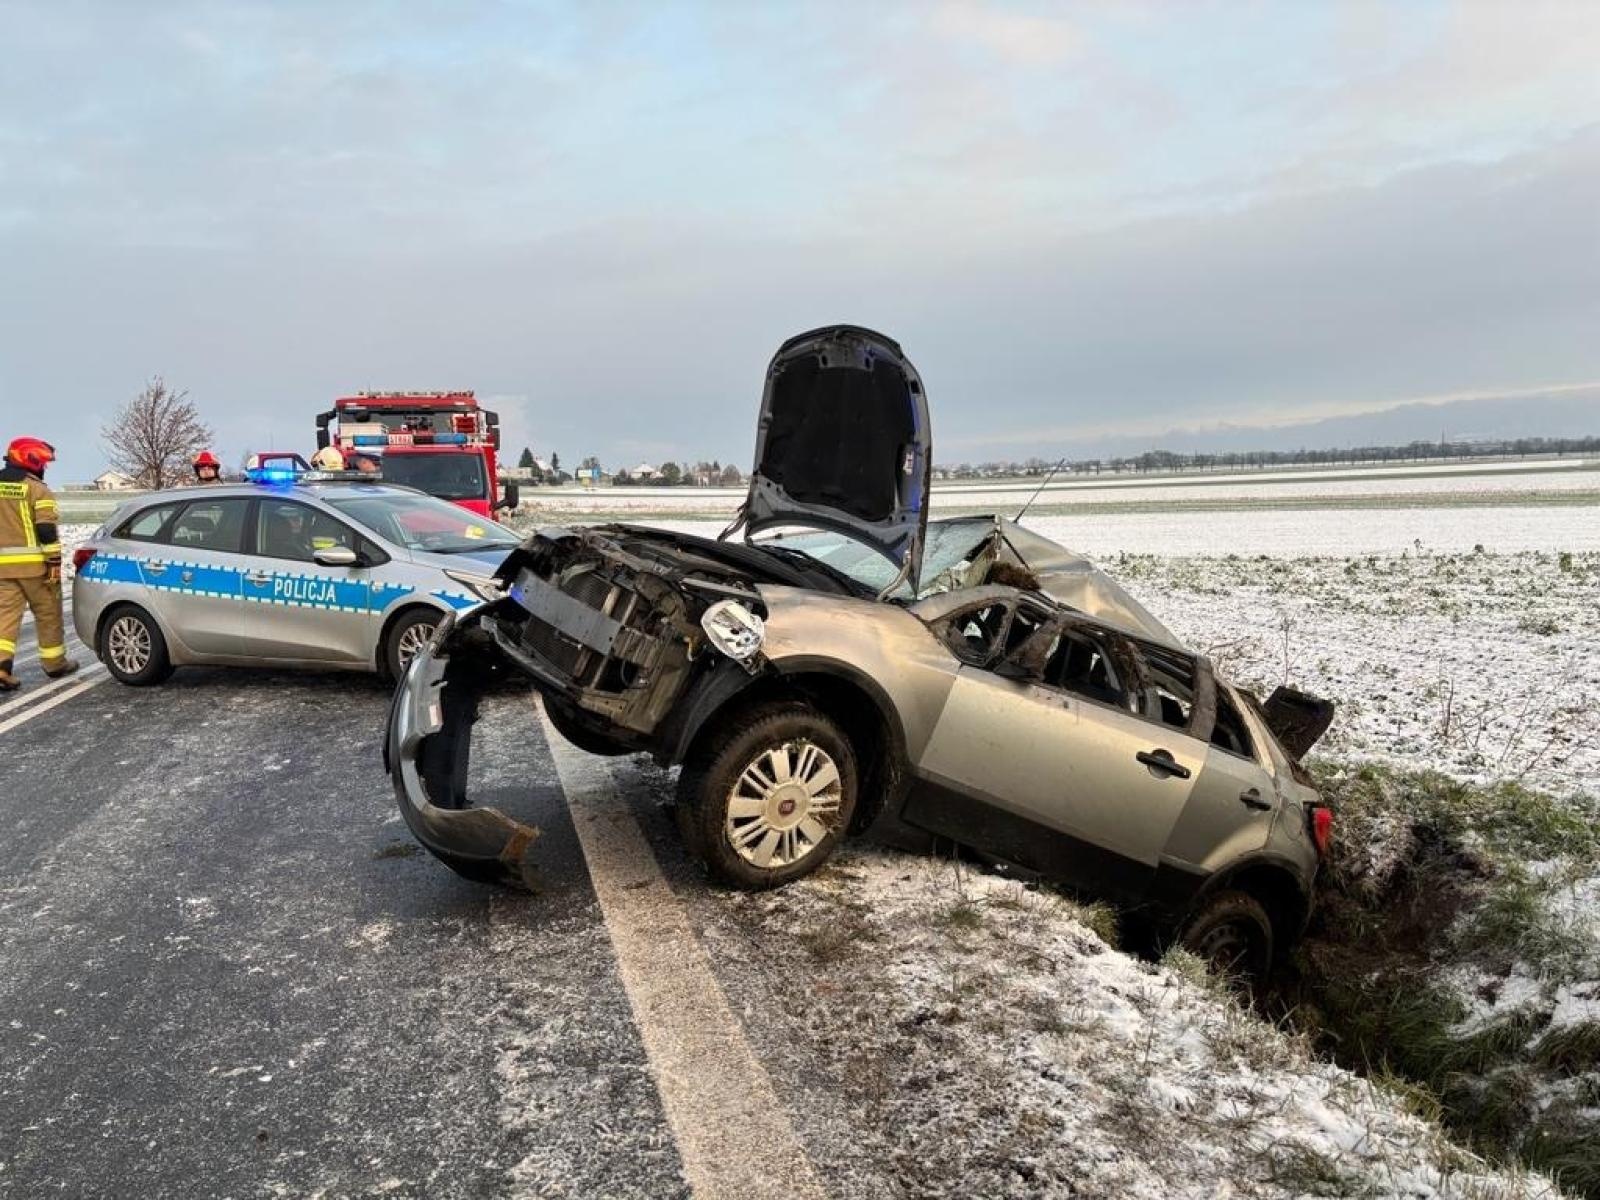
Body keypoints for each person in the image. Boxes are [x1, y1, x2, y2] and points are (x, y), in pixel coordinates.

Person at [0, 437, 78, 690]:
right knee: (48, 613)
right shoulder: (37, 489)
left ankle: (2, 668)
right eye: (42, 462)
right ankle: (54, 663)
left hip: (3, 568)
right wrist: (54, 561)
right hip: (35, 568)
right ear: (31, 461)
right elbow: (45, 529)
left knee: (6, 617)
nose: (44, 467)